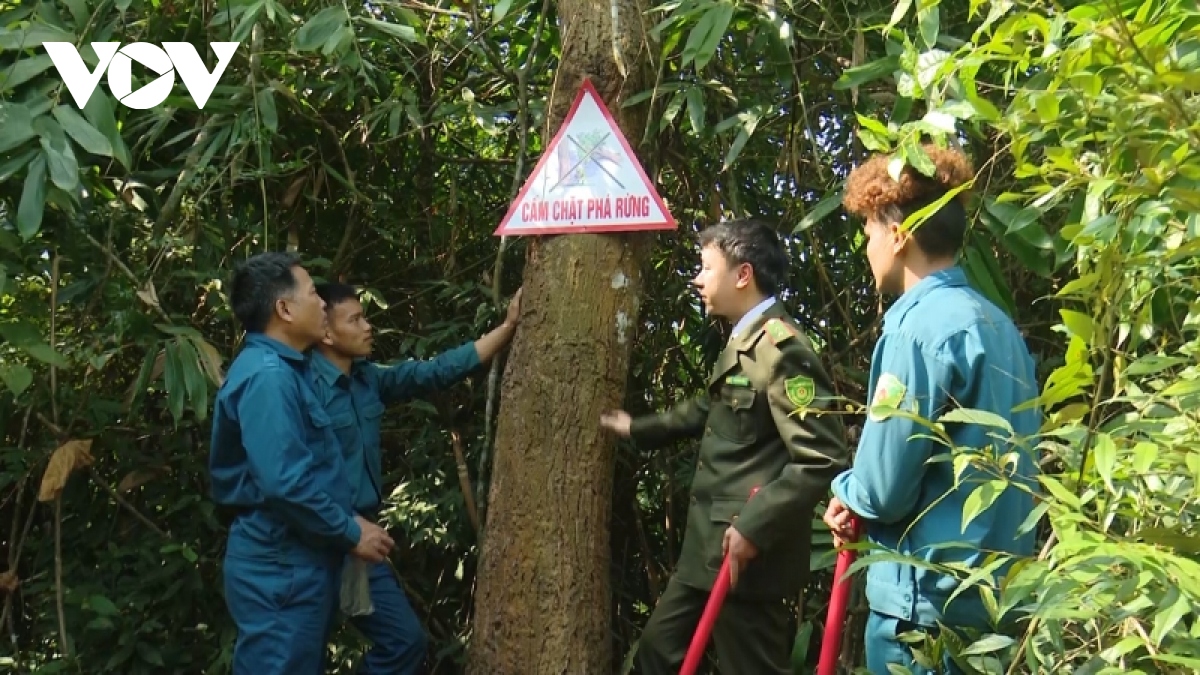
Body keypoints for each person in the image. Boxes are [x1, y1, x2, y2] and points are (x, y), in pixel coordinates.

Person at [822, 144, 1042, 674]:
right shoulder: (998, 327)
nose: (866, 245)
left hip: (924, 621)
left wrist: (845, 493)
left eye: (870, 230)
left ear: (899, 236)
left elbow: (884, 489)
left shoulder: (915, 330)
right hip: (998, 612)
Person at [600, 219, 849, 675]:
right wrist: (639, 428)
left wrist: (753, 528)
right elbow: (711, 411)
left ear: (742, 275)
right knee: (656, 656)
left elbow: (821, 458)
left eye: (706, 266)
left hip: (746, 558)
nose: (697, 278)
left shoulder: (782, 349)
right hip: (707, 551)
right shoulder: (743, 339)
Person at [308, 282, 523, 674]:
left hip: (360, 545)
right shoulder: (300, 389)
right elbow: (289, 475)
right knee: (301, 655)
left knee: (405, 642)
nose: (368, 326)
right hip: (317, 540)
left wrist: (507, 328)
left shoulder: (367, 378)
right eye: (354, 319)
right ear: (325, 332)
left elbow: (433, 372)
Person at [209, 252, 395, 675]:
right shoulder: (269, 378)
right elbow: (285, 483)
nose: (322, 306)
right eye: (313, 294)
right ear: (285, 309)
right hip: (279, 566)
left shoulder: (288, 372)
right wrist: (350, 530)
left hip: (299, 562)